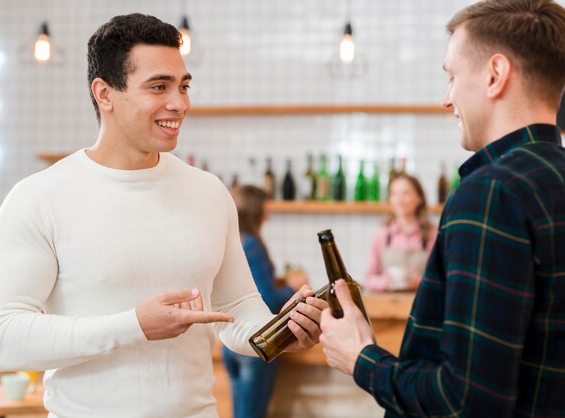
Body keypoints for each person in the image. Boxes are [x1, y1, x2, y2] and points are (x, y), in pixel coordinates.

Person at [0, 14, 326, 418]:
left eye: (184, 86)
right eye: (158, 86)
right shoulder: (39, 197)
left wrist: (281, 334)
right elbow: (3, 339)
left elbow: (236, 309)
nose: (179, 103)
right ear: (105, 94)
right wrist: (134, 325)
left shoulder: (209, 192)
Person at [320, 0, 565, 417]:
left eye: (451, 77)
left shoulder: (490, 193)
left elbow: (468, 401)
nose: (446, 99)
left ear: (495, 75)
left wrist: (360, 357)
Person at [222, 185, 308, 418]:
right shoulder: (251, 244)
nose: (268, 214)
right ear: (255, 210)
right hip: (257, 339)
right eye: (265, 208)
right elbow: (268, 298)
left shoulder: (233, 241)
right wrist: (292, 287)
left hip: (230, 341)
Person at [364, 174, 437, 292]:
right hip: (387, 307)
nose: (399, 200)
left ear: (419, 198)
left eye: (406, 193)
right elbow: (369, 279)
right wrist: (384, 282)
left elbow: (441, 278)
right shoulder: (382, 234)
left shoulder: (432, 235)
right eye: (394, 194)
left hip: (422, 306)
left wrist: (419, 281)